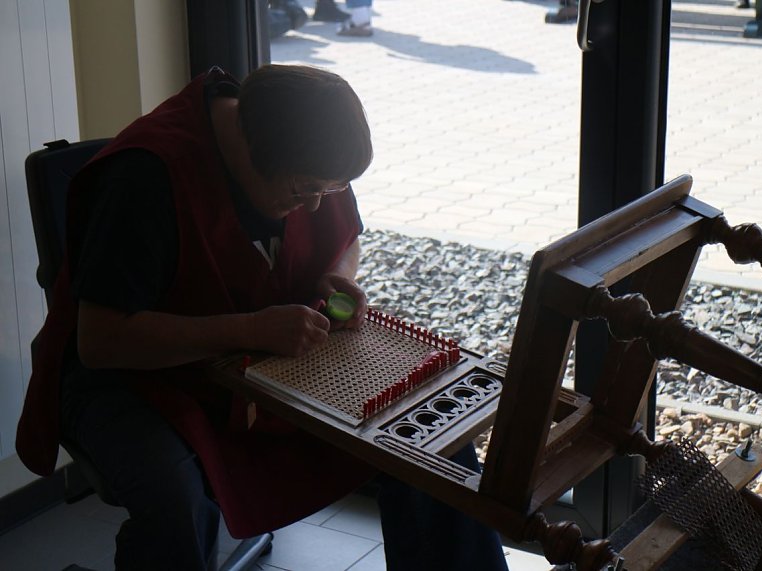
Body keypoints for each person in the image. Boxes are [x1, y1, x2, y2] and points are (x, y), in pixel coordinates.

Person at [16, 65, 508, 571]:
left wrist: (336, 274)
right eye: (304, 192)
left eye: (328, 191)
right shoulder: (148, 175)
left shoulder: (302, 146)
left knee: (429, 446)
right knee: (176, 503)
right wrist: (248, 329)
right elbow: (102, 340)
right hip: (134, 376)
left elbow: (346, 239)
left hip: (256, 359)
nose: (315, 204)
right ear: (249, 153)